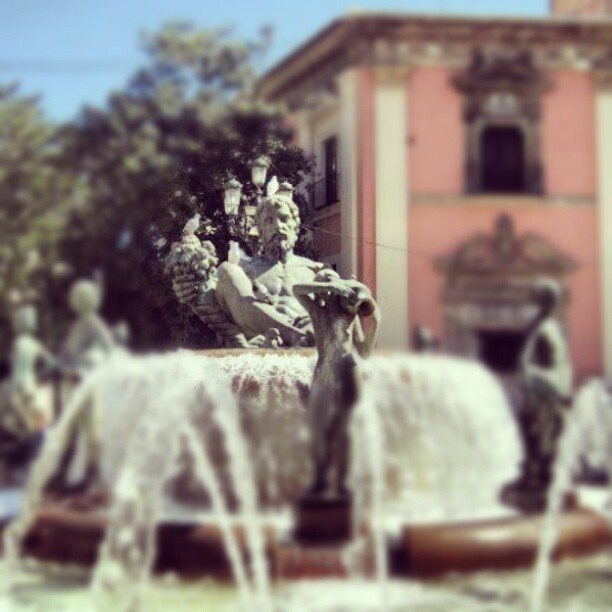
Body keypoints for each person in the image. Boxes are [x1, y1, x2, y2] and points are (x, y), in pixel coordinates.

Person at [172, 194, 327, 347]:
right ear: (260, 230)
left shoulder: (315, 269)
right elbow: (211, 299)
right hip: (269, 337)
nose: (278, 226)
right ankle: (293, 335)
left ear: (296, 226)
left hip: (308, 332)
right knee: (226, 269)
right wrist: (191, 286)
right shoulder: (244, 269)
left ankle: (297, 336)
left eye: (284, 218)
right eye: (269, 220)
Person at [293, 269, 381, 497]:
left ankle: (343, 483)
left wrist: (376, 322)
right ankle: (320, 480)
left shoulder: (350, 315)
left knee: (346, 431)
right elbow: (297, 289)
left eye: (331, 281)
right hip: (324, 371)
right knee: (318, 429)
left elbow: (365, 352)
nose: (330, 291)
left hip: (346, 370)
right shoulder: (317, 311)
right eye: (323, 284)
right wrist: (330, 286)